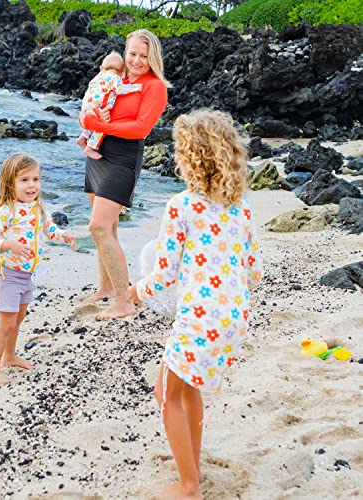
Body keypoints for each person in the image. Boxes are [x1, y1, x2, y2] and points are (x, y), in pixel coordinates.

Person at [128, 110, 263, 499]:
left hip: (200, 318)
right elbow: (254, 271)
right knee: (188, 391)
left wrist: (137, 292)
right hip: (233, 317)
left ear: (191, 158)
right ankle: (192, 466)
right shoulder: (241, 207)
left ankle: (189, 486)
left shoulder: (182, 205)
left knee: (167, 395)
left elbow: (164, 274)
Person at [79, 29, 170, 320]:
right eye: (132, 53)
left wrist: (101, 126)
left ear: (152, 58)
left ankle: (124, 301)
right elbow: (94, 104)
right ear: (125, 52)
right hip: (99, 152)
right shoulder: (118, 79)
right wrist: (90, 120)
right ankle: (106, 287)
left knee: (98, 227)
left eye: (144, 56)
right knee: (109, 227)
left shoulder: (155, 87)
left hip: (123, 157)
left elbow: (141, 128)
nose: (137, 60)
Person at [0, 154, 76, 386]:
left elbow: (50, 231)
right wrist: (8, 244)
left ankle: (9, 357)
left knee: (18, 320)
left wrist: (64, 236)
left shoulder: (38, 209)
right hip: (8, 275)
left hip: (27, 276)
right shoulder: (6, 211)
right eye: (24, 180)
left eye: (36, 179)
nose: (32, 185)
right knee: (6, 324)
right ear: (9, 183)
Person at [76, 51, 143, 160]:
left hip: (86, 106)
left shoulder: (99, 76)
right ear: (121, 73)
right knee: (103, 125)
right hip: (98, 107)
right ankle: (90, 147)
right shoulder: (115, 77)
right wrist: (136, 87)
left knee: (93, 123)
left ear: (101, 68)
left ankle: (83, 138)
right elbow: (120, 89)